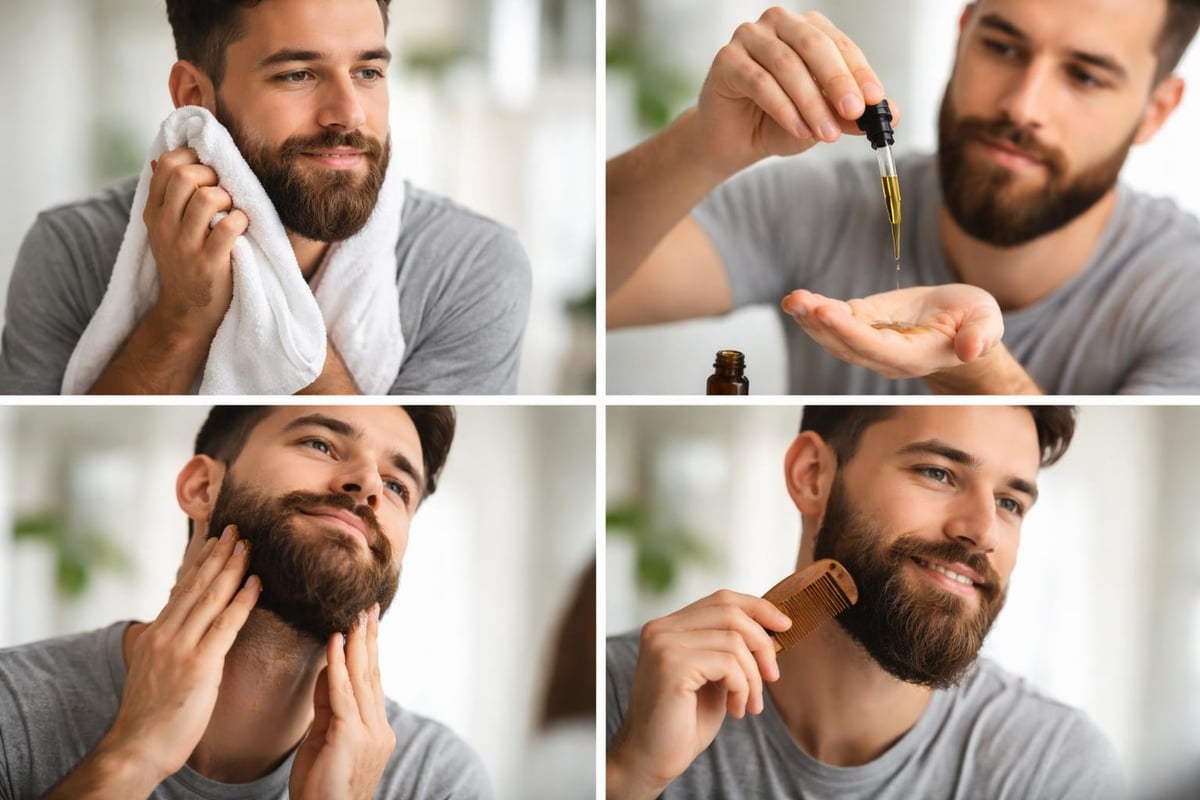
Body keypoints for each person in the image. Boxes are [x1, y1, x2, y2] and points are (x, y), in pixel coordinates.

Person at [607, 0, 1200, 394]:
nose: (1023, 106)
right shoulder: (821, 205)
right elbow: (585, 290)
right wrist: (703, 146)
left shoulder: (1183, 295)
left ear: (1156, 110)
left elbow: (1037, 470)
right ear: (962, 35)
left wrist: (976, 368)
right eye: (1003, 47)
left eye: (1086, 76)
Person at [0, 0, 531, 395]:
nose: (349, 114)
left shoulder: (470, 265)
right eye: (297, 74)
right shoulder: (69, 250)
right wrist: (181, 313)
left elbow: (379, 445)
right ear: (194, 96)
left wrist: (261, 282)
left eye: (368, 72)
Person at [606, 406, 1125, 798]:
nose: (983, 532)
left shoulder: (1054, 767)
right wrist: (630, 778)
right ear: (813, 474)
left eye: (1010, 503)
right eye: (938, 472)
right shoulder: (617, 695)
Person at [0, 405, 493, 798]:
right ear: (202, 488)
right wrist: (130, 759)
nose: (368, 485)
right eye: (320, 443)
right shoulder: (11, 706)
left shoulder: (435, 779)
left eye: (397, 486)